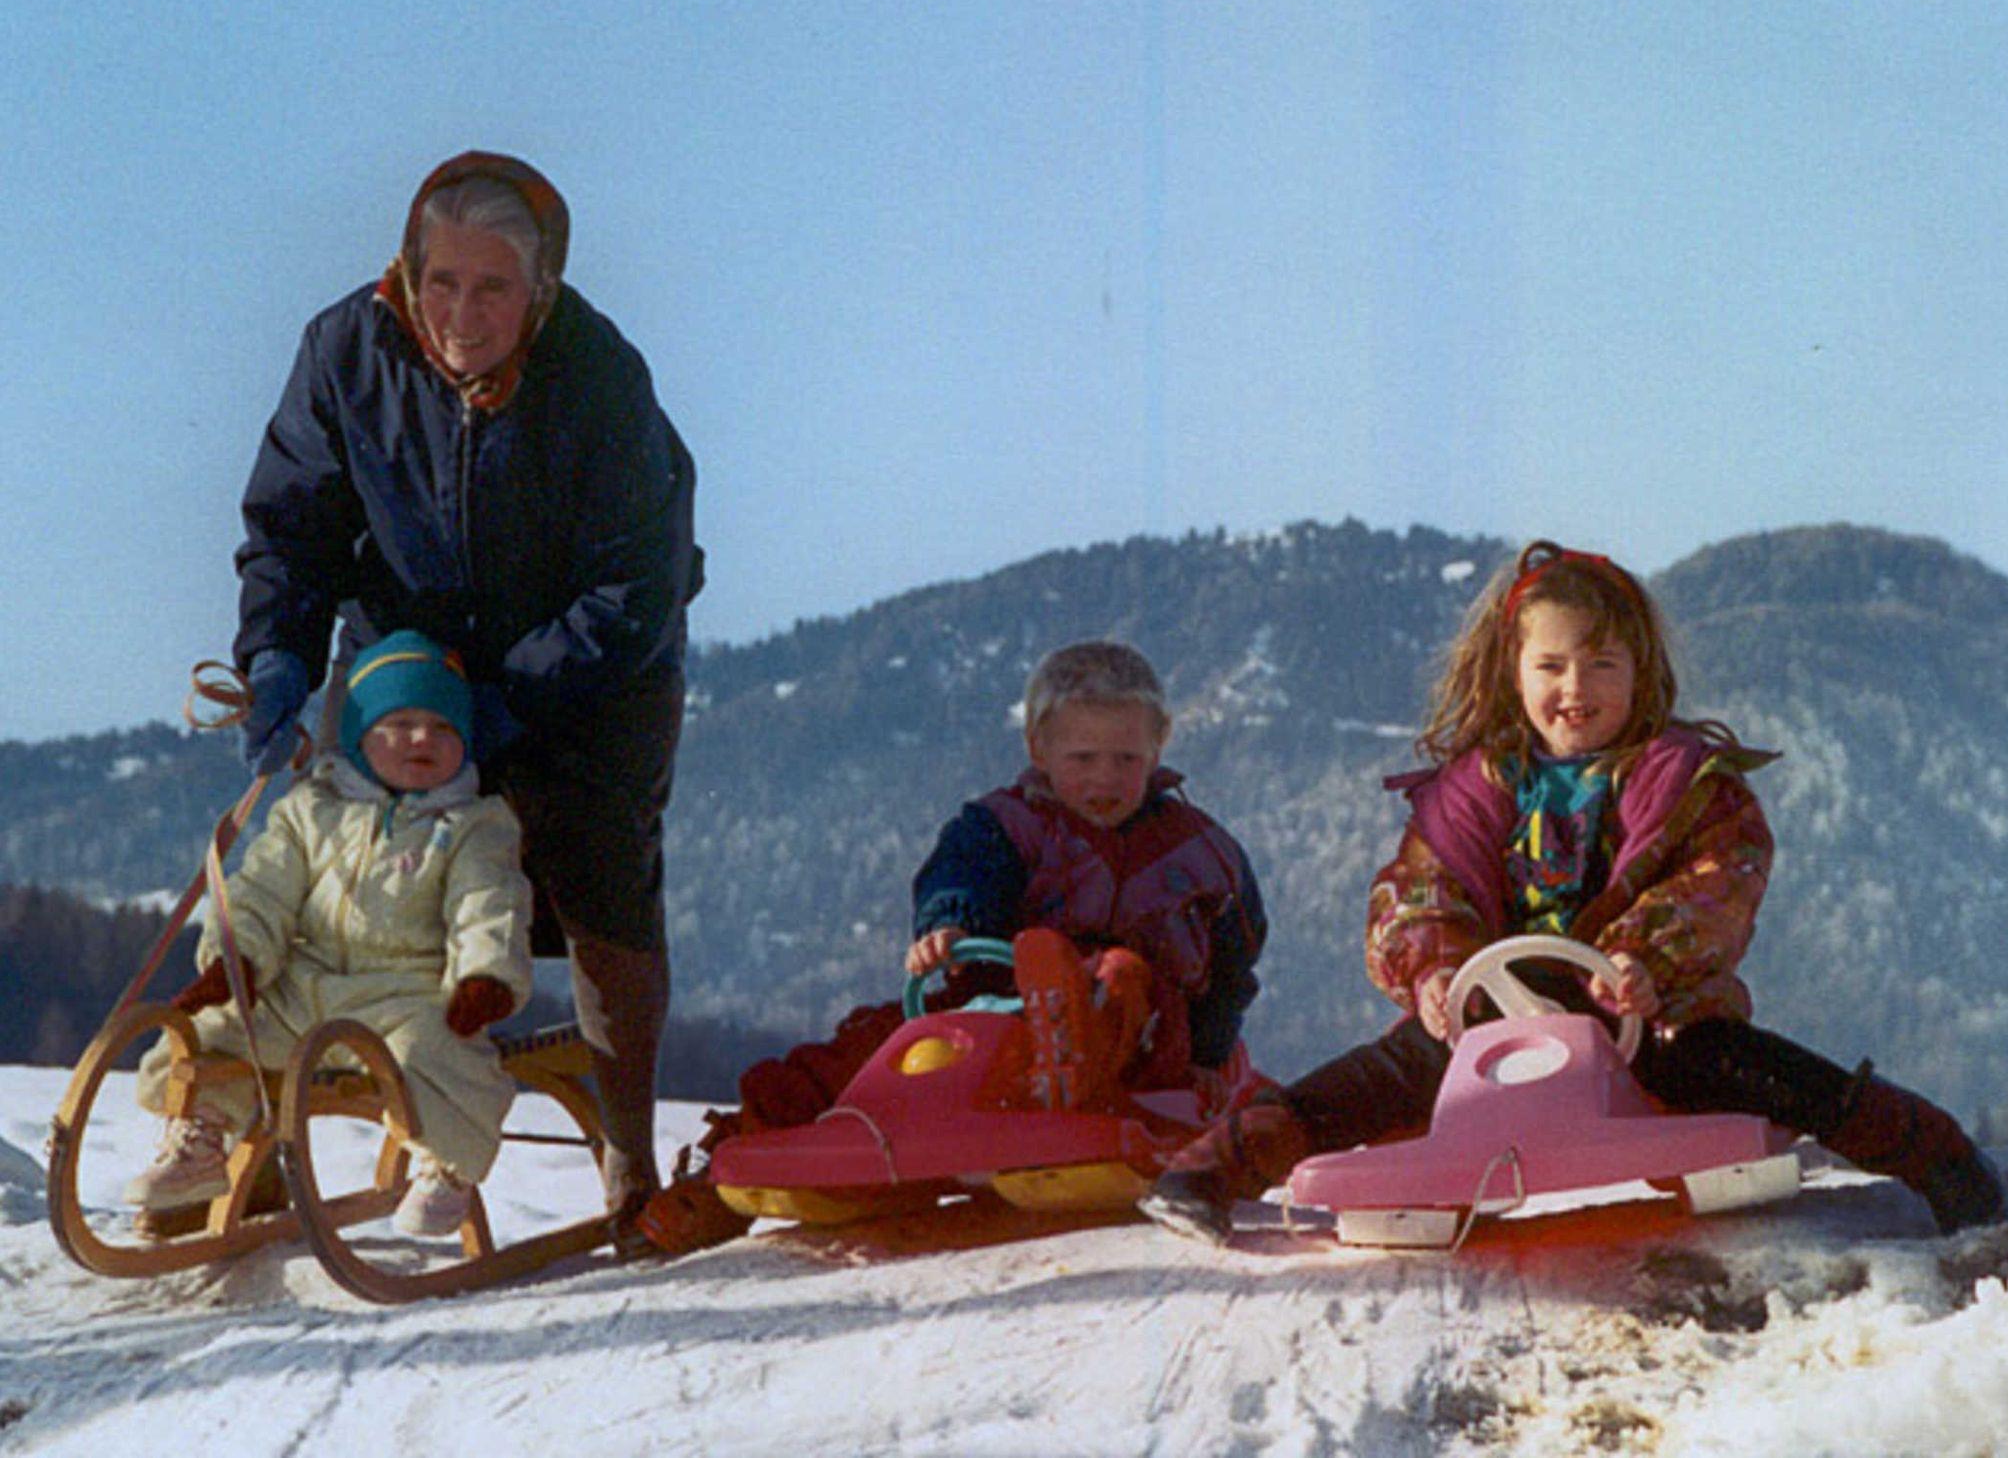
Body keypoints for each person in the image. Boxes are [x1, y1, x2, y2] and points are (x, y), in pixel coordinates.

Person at [1142, 540, 2005, 1245]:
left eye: (1601, 665)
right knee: (1381, 1077)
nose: (1575, 689)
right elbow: (1417, 893)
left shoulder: (1685, 782)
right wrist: (1435, 972)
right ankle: (1210, 1173)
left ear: (1639, 671)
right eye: (1551, 665)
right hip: (1492, 1012)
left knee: (1757, 1071)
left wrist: (1645, 958)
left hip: (1645, 1008)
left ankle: (1936, 1155)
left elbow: (1719, 881)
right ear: (1514, 671)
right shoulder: (1475, 791)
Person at [230, 151, 700, 1227]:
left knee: (595, 875)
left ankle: (628, 1153)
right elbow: (292, 527)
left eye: (492, 287)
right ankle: (256, 1138)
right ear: (407, 269)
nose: (461, 313)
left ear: (540, 288)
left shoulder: (599, 377)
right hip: (408, 657)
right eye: (441, 281)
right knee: (338, 876)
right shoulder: (346, 350)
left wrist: (510, 702)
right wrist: (276, 654)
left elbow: (636, 585)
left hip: (591, 668)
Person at [635, 638, 1269, 1255]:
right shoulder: (1006, 825)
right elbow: (959, 876)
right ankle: (730, 1162)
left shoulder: (1201, 850)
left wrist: (1211, 1056)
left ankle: (1069, 1061)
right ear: (1039, 747)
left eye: (1126, 759)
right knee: (869, 1045)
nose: (1105, 778)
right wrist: (949, 926)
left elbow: (1235, 957)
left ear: (1158, 746)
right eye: (1083, 758)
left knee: (1120, 976)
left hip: (1144, 1037)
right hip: (994, 1006)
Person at [128, 631, 534, 1238]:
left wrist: (484, 977)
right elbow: (262, 892)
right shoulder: (310, 809)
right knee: (214, 1028)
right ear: (360, 736)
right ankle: (201, 1142)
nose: (422, 739)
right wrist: (236, 962)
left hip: (405, 995)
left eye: (442, 728)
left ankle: (446, 1168)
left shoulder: (473, 824)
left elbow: (489, 903)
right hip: (302, 990)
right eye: (400, 724)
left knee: (441, 1050)